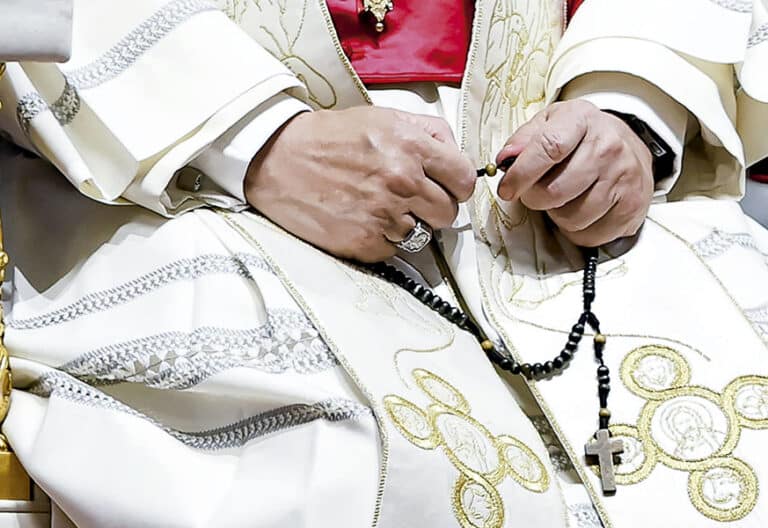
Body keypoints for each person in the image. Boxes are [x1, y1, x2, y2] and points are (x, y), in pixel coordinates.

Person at [0, 0, 766, 526]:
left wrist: (633, 109)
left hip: (552, 147)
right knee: (329, 466)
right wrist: (259, 142)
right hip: (181, 164)